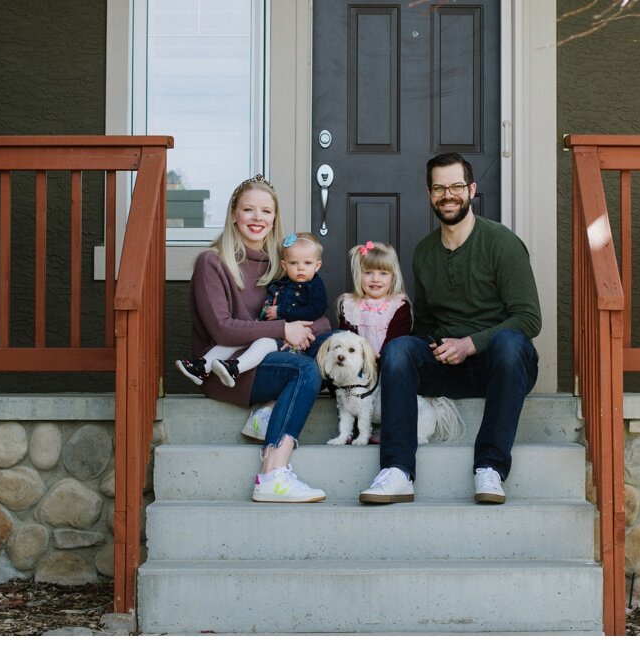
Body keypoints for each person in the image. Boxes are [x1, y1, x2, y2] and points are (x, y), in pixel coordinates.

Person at [358, 153, 541, 505]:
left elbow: (529, 318)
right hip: (446, 365)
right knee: (400, 350)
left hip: (499, 365)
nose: (448, 194)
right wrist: (431, 350)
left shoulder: (501, 243)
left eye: (456, 186)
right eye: (439, 188)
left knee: (510, 343)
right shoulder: (425, 253)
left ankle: (490, 467)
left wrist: (470, 344)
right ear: (430, 194)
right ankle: (397, 471)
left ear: (471, 189)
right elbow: (425, 324)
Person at [185, 174, 331, 503]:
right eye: (248, 210)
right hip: (226, 368)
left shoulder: (281, 265)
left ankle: (269, 409)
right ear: (234, 214)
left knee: (328, 339)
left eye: (266, 211)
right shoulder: (212, 262)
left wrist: (301, 330)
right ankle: (273, 473)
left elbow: (316, 316)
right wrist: (283, 329)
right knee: (303, 371)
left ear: (275, 217)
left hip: (267, 359)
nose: (257, 218)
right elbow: (222, 329)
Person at [177, 232, 327, 388]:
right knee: (234, 343)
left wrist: (282, 312)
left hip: (285, 342)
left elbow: (316, 310)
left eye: (307, 263)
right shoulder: (281, 281)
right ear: (284, 265)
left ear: (317, 266)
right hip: (270, 329)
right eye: (294, 263)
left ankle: (235, 368)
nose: (300, 268)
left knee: (263, 344)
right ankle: (202, 366)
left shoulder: (314, 287)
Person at [336, 240, 412, 356]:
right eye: (368, 273)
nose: (375, 279)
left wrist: (379, 359)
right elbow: (347, 340)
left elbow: (396, 341)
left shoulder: (398, 306)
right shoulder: (350, 306)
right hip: (357, 364)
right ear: (359, 275)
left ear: (393, 277)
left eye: (383, 273)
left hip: (389, 363)